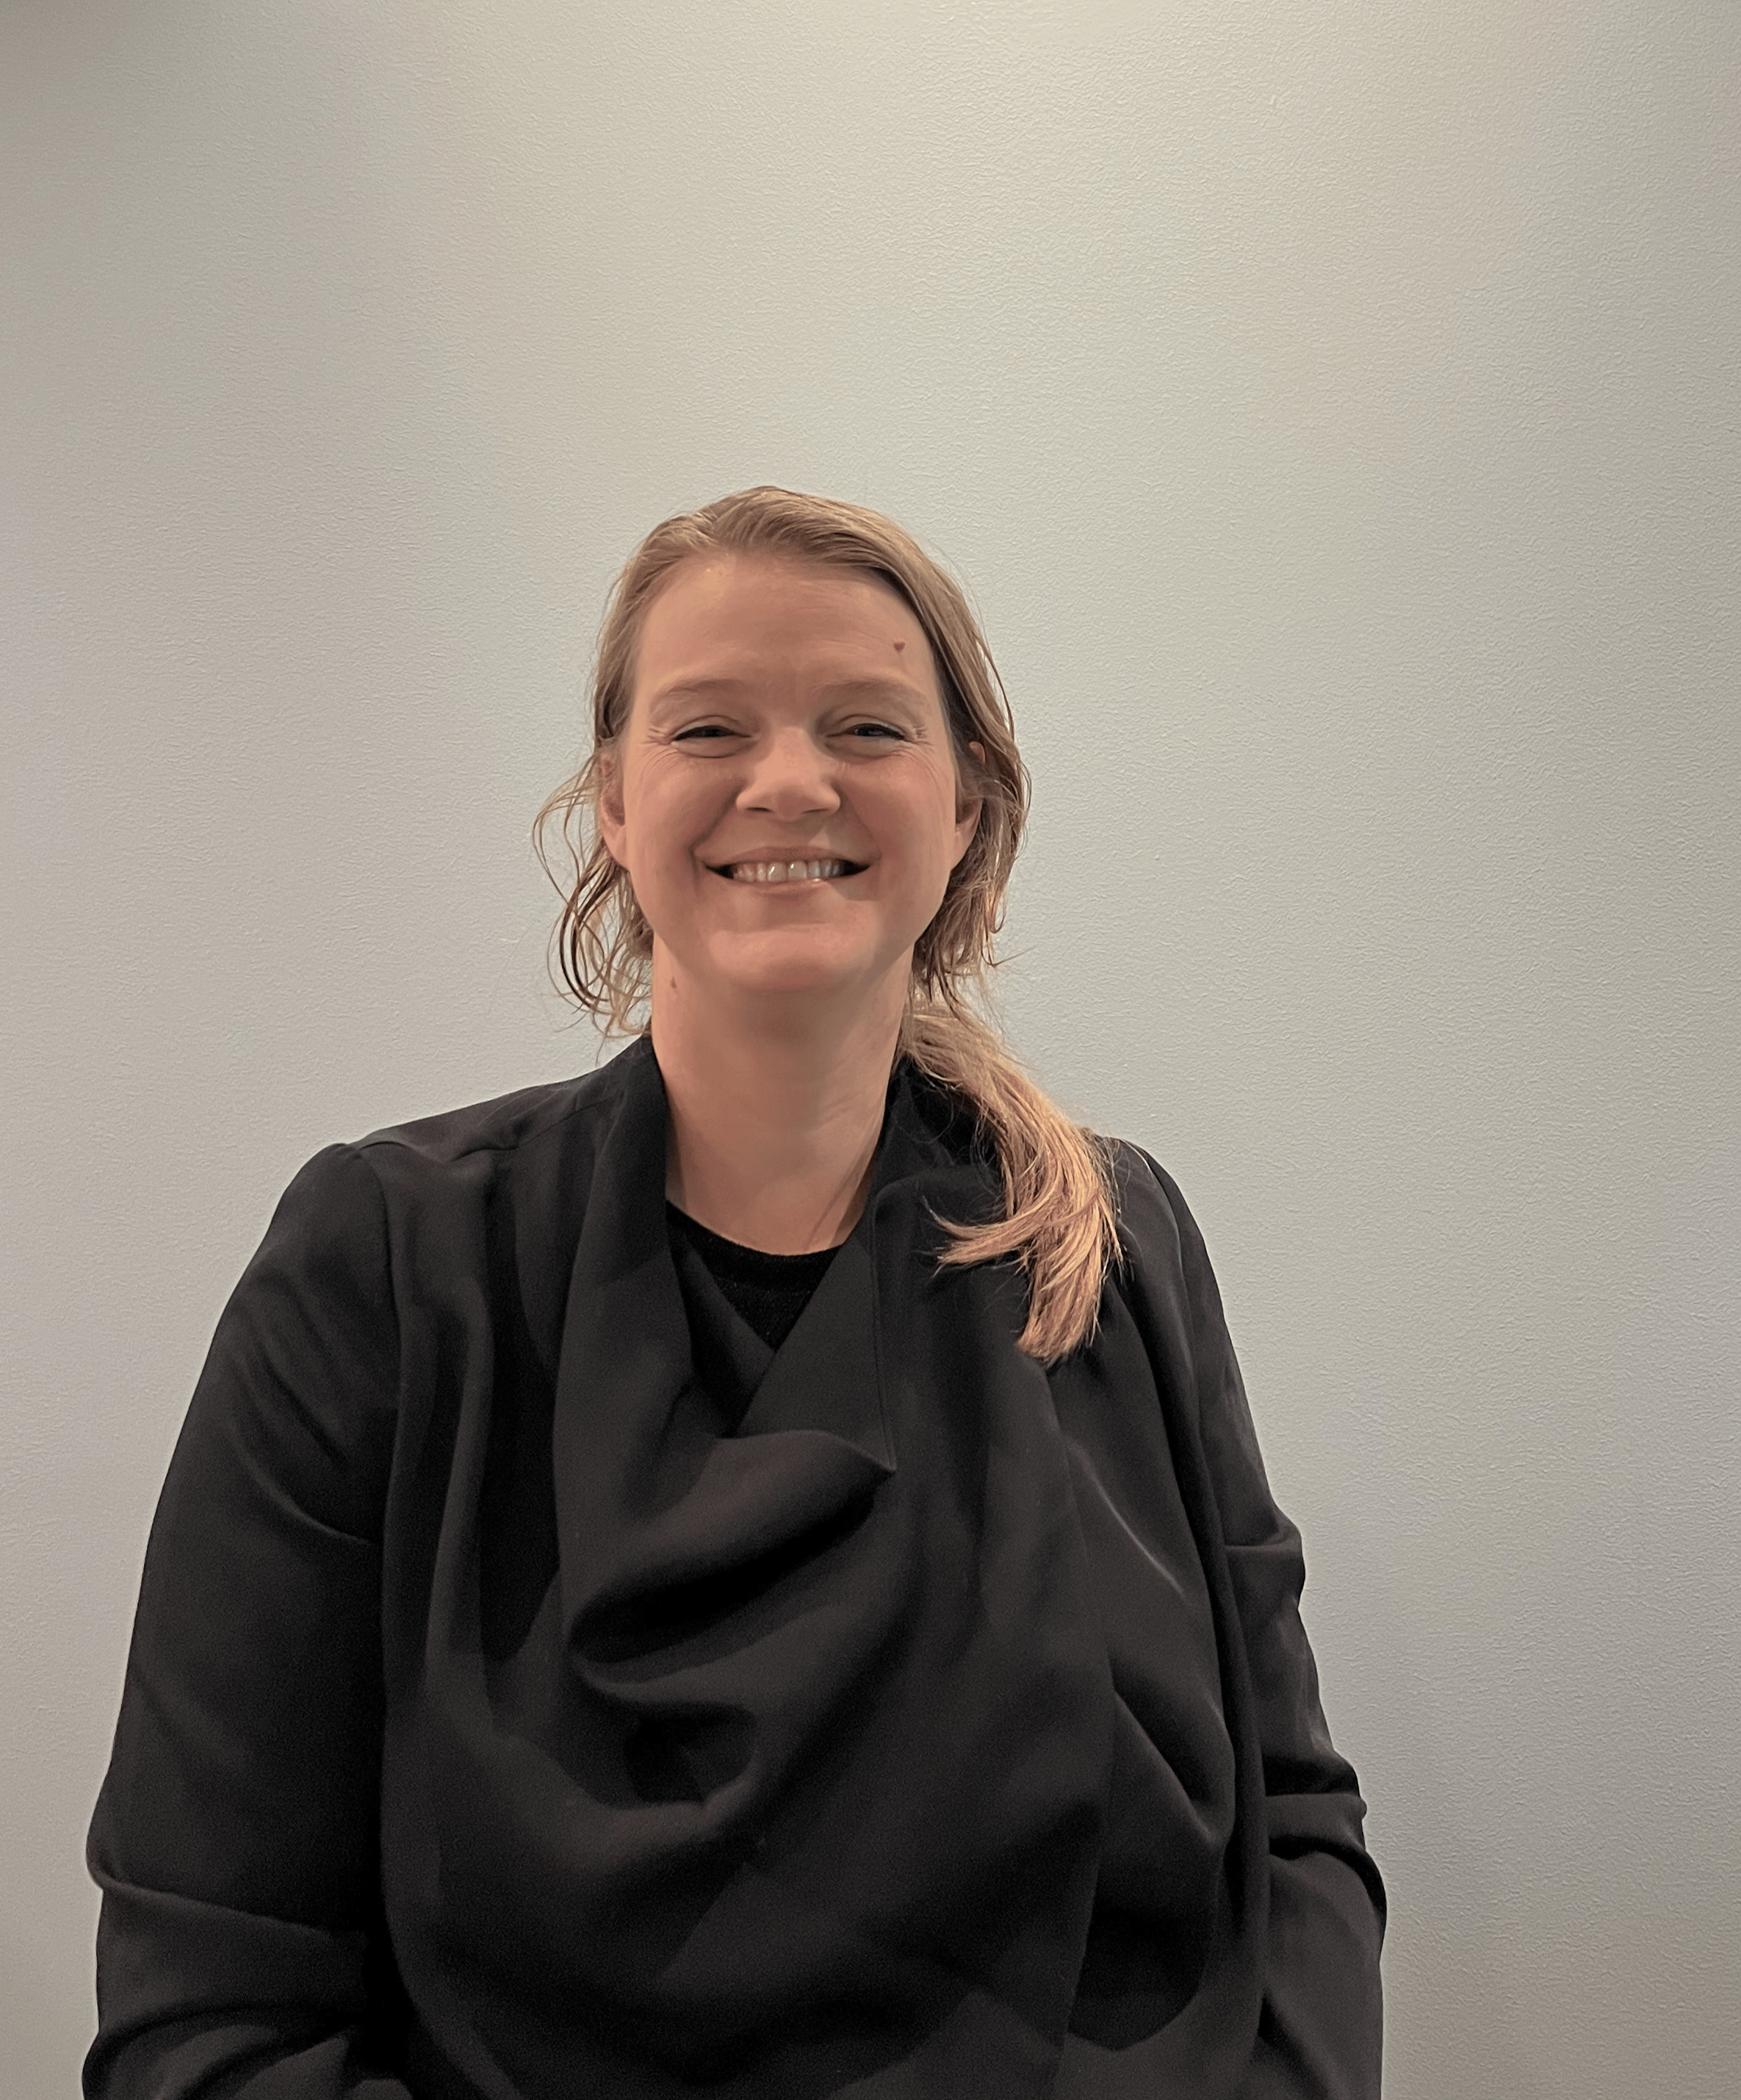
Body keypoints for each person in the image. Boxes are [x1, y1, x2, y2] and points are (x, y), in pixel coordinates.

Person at [84, 486, 1385, 2098]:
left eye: (866, 724)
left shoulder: (1108, 1245)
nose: (790, 779)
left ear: (967, 806)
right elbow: (209, 1996)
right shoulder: (382, 1272)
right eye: (709, 725)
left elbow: (1298, 1825)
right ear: (615, 807)